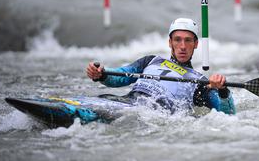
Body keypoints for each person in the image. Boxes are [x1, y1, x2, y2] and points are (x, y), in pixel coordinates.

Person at [86, 18, 236, 114]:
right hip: (124, 103)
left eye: (188, 40)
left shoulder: (201, 82)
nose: (182, 46)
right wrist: (101, 73)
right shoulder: (151, 60)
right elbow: (120, 76)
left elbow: (228, 114)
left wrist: (222, 90)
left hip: (152, 116)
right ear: (170, 42)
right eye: (177, 40)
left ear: (196, 44)